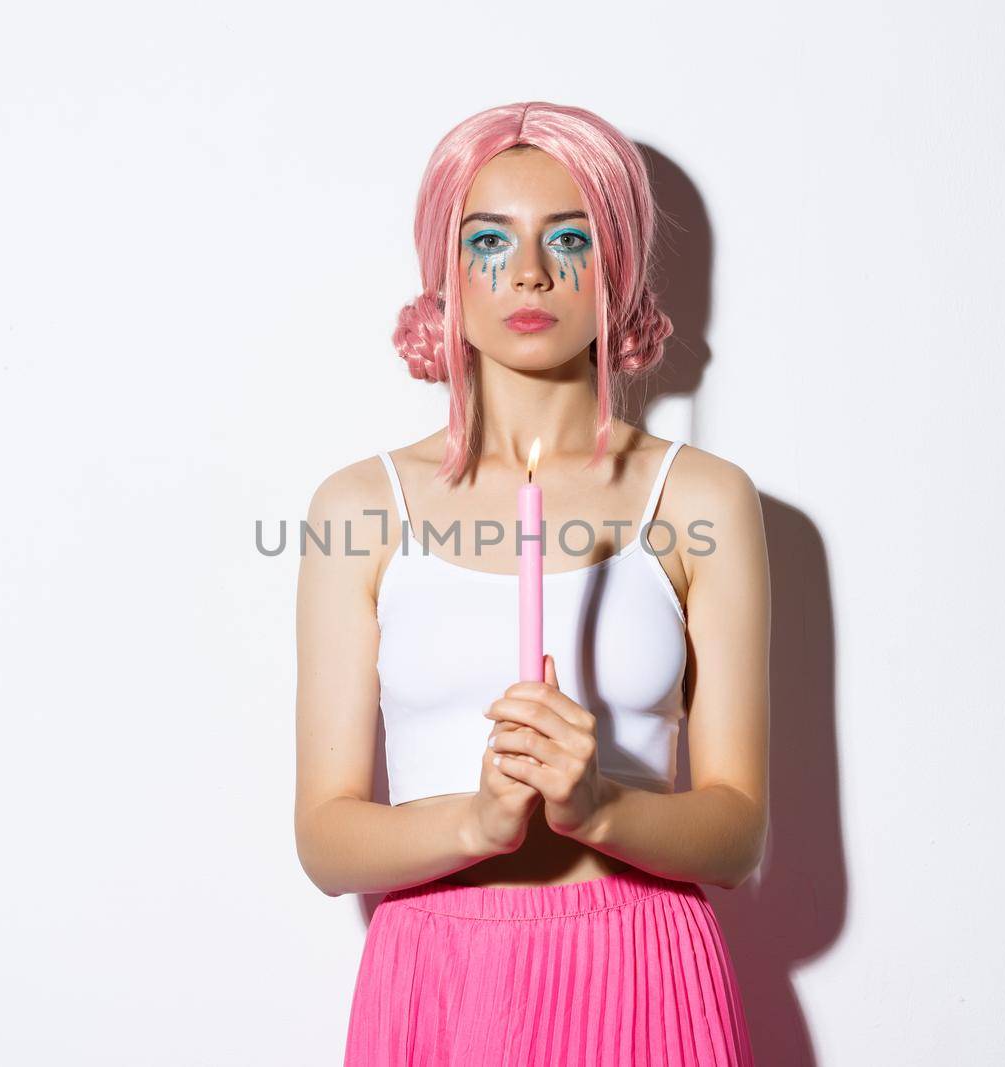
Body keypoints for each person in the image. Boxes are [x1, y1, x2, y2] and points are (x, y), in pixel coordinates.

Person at [294, 101, 770, 1066]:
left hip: (644, 974)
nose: (530, 273)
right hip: (441, 978)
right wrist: (473, 820)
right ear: (445, 275)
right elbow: (325, 837)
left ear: (619, 267)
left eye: (570, 237)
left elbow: (739, 831)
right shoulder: (359, 506)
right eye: (487, 240)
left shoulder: (702, 499)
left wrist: (601, 807)